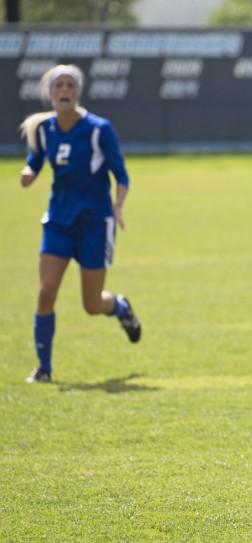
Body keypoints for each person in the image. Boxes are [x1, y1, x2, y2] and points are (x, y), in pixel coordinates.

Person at [18, 64, 140, 384]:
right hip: (58, 222)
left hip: (94, 225)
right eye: (58, 85)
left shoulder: (99, 129)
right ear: (50, 93)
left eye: (70, 85)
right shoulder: (44, 130)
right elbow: (34, 161)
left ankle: (122, 307)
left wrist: (118, 205)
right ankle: (44, 369)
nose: (64, 91)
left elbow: (121, 174)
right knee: (45, 293)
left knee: (91, 303)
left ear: (78, 92)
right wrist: (28, 174)